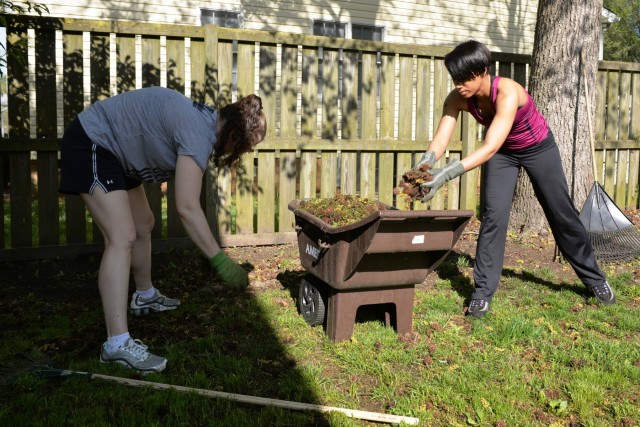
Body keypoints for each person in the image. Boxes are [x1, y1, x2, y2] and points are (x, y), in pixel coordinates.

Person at [59, 87, 267, 372]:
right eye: (245, 147)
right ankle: (116, 344)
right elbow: (187, 207)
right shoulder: (199, 134)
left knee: (143, 223)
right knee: (121, 237)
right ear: (233, 136)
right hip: (94, 142)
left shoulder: (206, 121)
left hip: (117, 152)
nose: (239, 153)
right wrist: (219, 260)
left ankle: (144, 295)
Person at [414, 40, 615, 318]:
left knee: (561, 214)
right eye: (455, 78)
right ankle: (482, 293)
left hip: (537, 148)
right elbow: (442, 137)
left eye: (464, 78)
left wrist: (446, 174)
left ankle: (594, 278)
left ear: (483, 70)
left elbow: (490, 146)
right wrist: (425, 163)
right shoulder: (458, 98)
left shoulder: (508, 92)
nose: (459, 84)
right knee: (493, 217)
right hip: (502, 154)